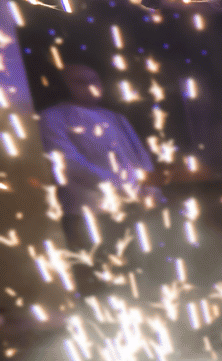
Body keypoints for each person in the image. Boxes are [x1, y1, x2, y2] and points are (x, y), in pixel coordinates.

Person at [39, 64, 154, 246]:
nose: (90, 86)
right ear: (64, 86)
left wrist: (149, 187)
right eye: (80, 82)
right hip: (91, 213)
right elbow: (69, 163)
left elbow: (139, 155)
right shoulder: (53, 117)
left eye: (94, 80)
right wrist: (120, 186)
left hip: (134, 205)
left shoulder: (116, 117)